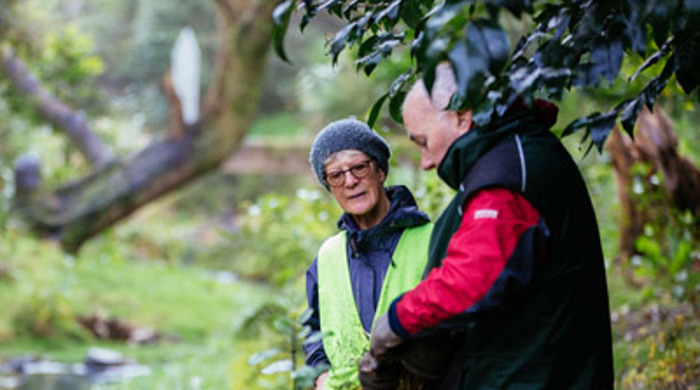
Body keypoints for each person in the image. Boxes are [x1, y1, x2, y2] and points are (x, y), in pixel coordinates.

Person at [360, 64, 614, 389]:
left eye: (423, 141)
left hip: (532, 375)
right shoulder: (512, 156)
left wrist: (396, 322)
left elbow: (470, 280)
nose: (425, 161)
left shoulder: (507, 179)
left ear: (462, 117)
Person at [303, 118, 433, 389]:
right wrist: (319, 375)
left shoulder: (432, 241)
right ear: (329, 187)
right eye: (336, 175)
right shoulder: (327, 256)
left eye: (359, 167)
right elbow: (313, 330)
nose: (350, 181)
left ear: (381, 171)